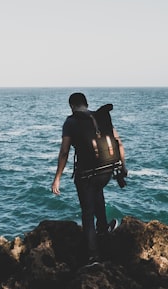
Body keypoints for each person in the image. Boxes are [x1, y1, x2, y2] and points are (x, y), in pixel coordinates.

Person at [51, 92, 126, 263]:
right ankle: (103, 230)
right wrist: (123, 165)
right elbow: (118, 142)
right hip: (107, 171)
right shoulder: (101, 117)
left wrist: (57, 178)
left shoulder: (70, 122)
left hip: (86, 175)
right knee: (98, 193)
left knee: (87, 213)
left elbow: (64, 152)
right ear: (86, 103)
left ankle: (93, 256)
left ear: (71, 106)